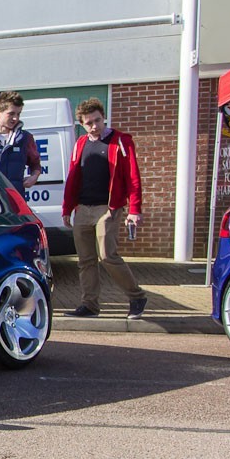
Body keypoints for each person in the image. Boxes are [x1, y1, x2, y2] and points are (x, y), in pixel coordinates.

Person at [61, 98, 148, 319]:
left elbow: (133, 177)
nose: (94, 126)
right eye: (89, 123)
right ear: (82, 124)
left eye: (97, 120)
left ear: (104, 117)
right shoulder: (80, 143)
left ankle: (137, 296)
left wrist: (135, 210)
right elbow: (73, 177)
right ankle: (89, 305)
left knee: (107, 255)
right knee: (85, 260)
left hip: (107, 209)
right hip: (83, 208)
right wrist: (67, 208)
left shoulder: (121, 141)